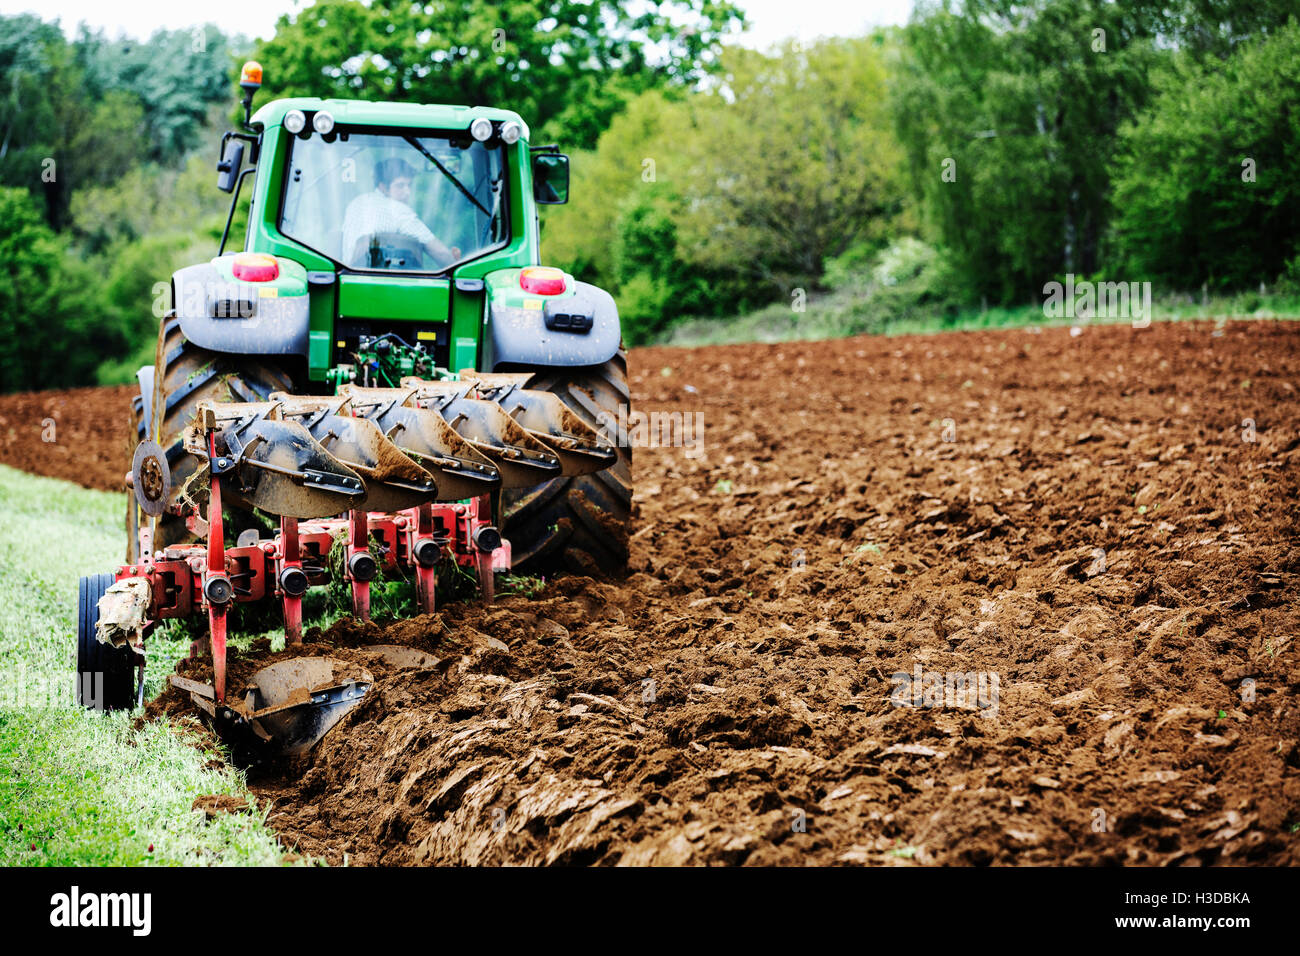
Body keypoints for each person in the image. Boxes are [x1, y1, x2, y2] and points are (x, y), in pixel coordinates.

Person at [341, 158, 460, 269]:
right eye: (400, 186)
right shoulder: (397, 209)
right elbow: (439, 252)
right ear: (383, 187)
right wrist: (454, 262)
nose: (407, 192)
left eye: (409, 185)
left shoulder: (356, 203)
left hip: (349, 278)